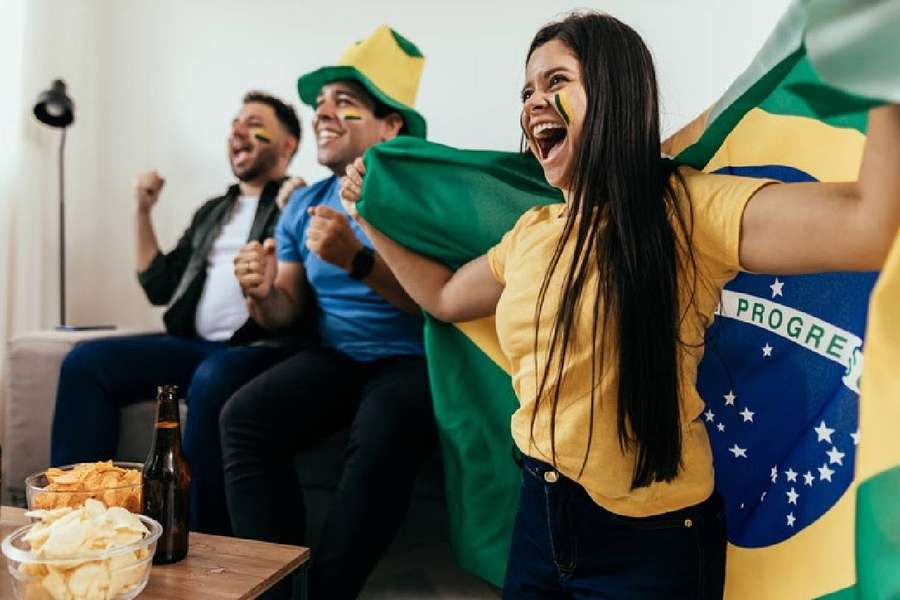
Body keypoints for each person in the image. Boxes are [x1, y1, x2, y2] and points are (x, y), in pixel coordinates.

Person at [340, 12, 900, 599]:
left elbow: (869, 228)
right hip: (539, 513)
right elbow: (443, 298)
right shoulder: (530, 233)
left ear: (614, 93)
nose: (534, 102)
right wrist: (370, 216)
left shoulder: (686, 212)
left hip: (651, 544)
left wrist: (883, 71)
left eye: (556, 82)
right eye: (527, 90)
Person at [221, 26, 435, 600]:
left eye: (346, 104)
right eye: (319, 105)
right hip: (338, 356)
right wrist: (262, 292)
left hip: (414, 357)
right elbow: (284, 312)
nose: (323, 114)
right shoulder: (304, 206)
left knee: (386, 425)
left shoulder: (422, 198)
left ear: (390, 126)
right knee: (243, 417)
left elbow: (439, 305)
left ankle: (327, 593)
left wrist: (358, 260)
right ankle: (277, 588)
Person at [51, 91, 303, 536]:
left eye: (256, 124)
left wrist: (294, 209)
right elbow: (158, 285)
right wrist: (142, 210)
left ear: (287, 146)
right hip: (191, 347)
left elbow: (298, 300)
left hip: (258, 349)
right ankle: (77, 523)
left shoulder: (295, 202)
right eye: (235, 123)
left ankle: (200, 538)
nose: (239, 131)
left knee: (212, 378)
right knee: (85, 363)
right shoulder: (213, 212)